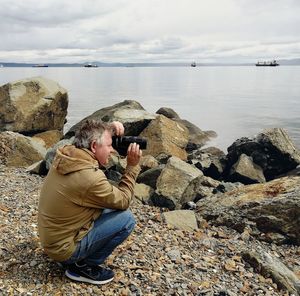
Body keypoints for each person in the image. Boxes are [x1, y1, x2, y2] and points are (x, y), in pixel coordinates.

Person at [38, 119, 142, 285]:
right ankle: (82, 267)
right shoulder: (90, 178)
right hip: (64, 250)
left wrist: (108, 129)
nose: (113, 150)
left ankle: (77, 257)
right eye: (109, 145)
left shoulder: (67, 153)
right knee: (126, 219)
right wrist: (132, 167)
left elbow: (85, 133)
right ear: (94, 146)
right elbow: (123, 201)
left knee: (106, 208)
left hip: (52, 240)